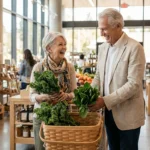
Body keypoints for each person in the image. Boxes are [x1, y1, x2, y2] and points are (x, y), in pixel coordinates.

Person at [89, 8, 145, 150]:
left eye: (104, 29)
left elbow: (133, 84)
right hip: (109, 113)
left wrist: (105, 101)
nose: (101, 34)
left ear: (118, 26)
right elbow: (98, 76)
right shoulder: (103, 48)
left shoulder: (135, 48)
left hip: (129, 115)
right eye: (100, 29)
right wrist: (90, 94)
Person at [30, 31, 77, 150]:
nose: (64, 48)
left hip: (63, 115)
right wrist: (41, 97)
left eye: (65, 44)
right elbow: (32, 94)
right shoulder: (38, 67)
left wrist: (66, 96)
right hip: (41, 116)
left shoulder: (69, 67)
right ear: (49, 48)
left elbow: (74, 92)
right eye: (60, 44)